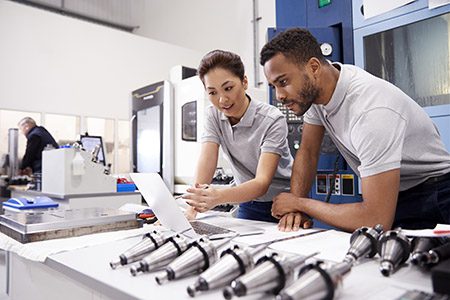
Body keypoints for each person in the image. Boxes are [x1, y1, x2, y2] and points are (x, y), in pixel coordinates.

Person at [260, 28, 450, 232]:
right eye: (273, 86)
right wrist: (294, 209)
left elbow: (376, 219)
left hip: (435, 197)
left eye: (283, 82)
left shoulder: (371, 111)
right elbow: (307, 151)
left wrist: (299, 204)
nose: (279, 95)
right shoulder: (318, 93)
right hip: (396, 195)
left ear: (314, 67)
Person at [183, 49, 303, 226]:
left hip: (281, 203)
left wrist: (218, 196)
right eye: (212, 92)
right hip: (246, 201)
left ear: (244, 82)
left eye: (228, 88)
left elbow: (262, 182)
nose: (222, 100)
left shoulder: (272, 119)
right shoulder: (213, 115)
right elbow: (207, 160)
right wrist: (191, 210)